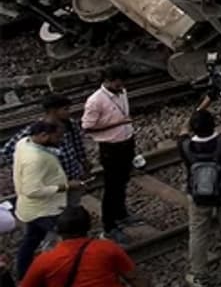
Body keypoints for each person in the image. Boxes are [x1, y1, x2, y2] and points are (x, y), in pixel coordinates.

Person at [179, 94, 221, 287]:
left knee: (198, 233)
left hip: (198, 196)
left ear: (194, 128)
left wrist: (207, 100)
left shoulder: (185, 145)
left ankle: (199, 275)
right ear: (214, 125)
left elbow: (184, 128)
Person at [12, 121, 80, 280]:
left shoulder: (24, 143)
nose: (60, 140)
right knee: (65, 240)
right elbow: (32, 190)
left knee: (31, 239)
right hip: (45, 210)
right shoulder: (36, 159)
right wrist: (65, 186)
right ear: (43, 135)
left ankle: (23, 273)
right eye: (57, 137)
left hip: (30, 209)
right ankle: (60, 273)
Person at [18, 206, 148, 287]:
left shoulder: (44, 260)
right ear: (88, 227)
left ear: (58, 230)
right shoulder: (108, 248)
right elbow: (135, 278)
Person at [80, 63, 135, 242]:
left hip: (127, 141)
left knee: (123, 181)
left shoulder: (122, 92)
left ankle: (121, 214)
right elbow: (87, 127)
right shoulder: (95, 101)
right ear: (109, 80)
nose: (123, 86)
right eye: (120, 83)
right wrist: (117, 124)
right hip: (111, 147)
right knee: (112, 187)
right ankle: (109, 226)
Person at [1, 94, 87, 204]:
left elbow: (78, 147)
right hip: (52, 183)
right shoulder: (36, 130)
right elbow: (7, 152)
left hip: (73, 176)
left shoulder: (70, 125)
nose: (69, 112)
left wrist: (84, 164)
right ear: (53, 111)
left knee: (72, 205)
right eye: (65, 109)